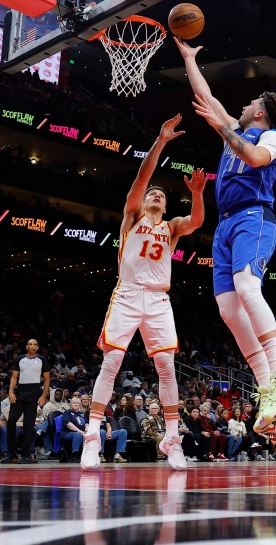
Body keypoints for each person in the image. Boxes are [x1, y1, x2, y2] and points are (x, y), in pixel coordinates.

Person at [177, 37, 276, 432]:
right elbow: (205, 95)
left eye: (248, 104)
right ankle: (267, 387)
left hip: (254, 217)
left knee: (248, 287)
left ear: (260, 112)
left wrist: (223, 128)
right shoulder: (234, 127)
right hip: (225, 223)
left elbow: (253, 159)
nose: (241, 108)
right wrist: (188, 58)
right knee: (228, 309)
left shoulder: (270, 137)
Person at [81, 115, 206, 472]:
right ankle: (92, 435)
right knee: (112, 362)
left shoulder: (172, 227)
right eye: (154, 192)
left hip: (158, 299)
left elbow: (196, 222)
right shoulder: (133, 216)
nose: (156, 194)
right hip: (128, 293)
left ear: (166, 206)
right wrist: (161, 141)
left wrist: (196, 194)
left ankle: (172, 438)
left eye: (162, 195)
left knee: (166, 366)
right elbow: (140, 178)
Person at [7, 339, 50, 464]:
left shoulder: (42, 360)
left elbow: (47, 379)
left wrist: (43, 395)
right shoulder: (20, 359)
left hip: (34, 391)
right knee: (11, 421)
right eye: (30, 344)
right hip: (20, 391)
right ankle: (11, 454)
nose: (33, 346)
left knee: (28, 424)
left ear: (37, 347)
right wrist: (11, 391)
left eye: (35, 344)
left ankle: (26, 454)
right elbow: (14, 377)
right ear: (26, 347)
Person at [60, 397, 88, 463]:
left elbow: (86, 423)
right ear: (70, 404)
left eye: (77, 403)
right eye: (74, 403)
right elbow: (68, 424)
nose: (76, 404)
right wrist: (78, 430)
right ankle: (74, 455)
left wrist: (87, 428)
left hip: (82, 432)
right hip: (68, 432)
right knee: (78, 435)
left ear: (80, 405)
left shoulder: (82, 413)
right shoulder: (68, 412)